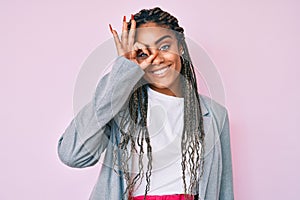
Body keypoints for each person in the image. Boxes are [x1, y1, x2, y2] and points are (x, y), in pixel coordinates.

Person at [58, 7, 234, 200]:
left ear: (181, 47)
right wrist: (122, 72)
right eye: (143, 53)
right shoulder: (121, 108)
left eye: (165, 47)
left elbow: (224, 190)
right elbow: (72, 154)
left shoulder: (215, 114)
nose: (155, 59)